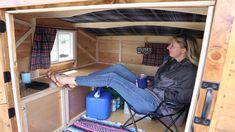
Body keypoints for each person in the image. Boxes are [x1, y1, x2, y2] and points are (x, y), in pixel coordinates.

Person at [47, 34, 200, 114]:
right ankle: (78, 80)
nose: (168, 47)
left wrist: (155, 90)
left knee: (112, 79)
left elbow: (183, 97)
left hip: (156, 104)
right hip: (150, 92)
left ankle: (68, 79)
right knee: (118, 68)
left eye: (172, 45)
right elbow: (164, 82)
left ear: (183, 50)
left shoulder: (189, 70)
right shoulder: (173, 62)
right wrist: (150, 83)